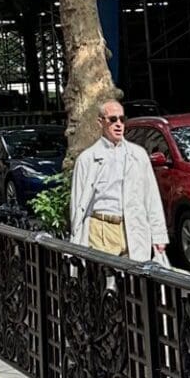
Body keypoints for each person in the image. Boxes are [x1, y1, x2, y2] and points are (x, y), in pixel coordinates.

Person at [70, 101, 169, 263]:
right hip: (101, 228)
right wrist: (76, 238)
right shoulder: (87, 159)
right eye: (113, 119)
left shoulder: (139, 155)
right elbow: (77, 203)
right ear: (100, 122)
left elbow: (151, 197)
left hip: (133, 226)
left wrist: (159, 236)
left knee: (134, 281)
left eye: (122, 119)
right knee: (107, 282)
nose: (118, 124)